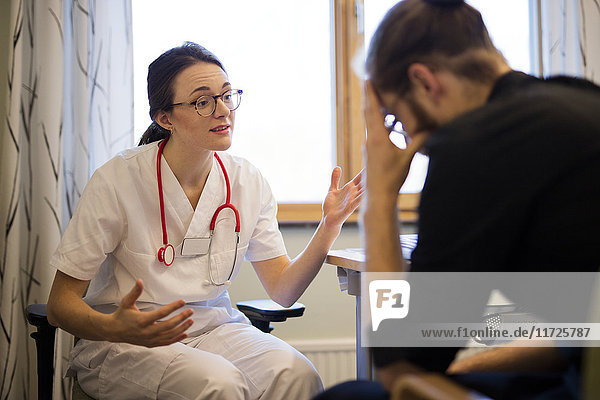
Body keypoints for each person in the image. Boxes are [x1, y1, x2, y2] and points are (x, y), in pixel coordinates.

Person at [314, 0, 600, 399]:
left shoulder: (474, 143)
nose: (405, 139)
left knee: (354, 396)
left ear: (425, 83)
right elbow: (582, 333)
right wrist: (457, 373)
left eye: (396, 118)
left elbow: (401, 371)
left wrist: (379, 200)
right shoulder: (581, 97)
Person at [47, 41, 363, 400]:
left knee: (297, 374)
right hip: (126, 342)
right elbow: (60, 304)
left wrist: (330, 225)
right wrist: (114, 327)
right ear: (165, 118)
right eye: (203, 101)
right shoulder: (117, 180)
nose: (223, 110)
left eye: (227, 96)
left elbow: (283, 291)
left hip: (215, 329)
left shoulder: (247, 180)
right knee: (219, 384)